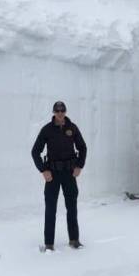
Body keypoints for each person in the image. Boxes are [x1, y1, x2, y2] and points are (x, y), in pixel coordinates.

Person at [31, 101, 87, 252]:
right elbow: (35, 151)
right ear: (54, 112)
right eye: (57, 110)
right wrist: (43, 170)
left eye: (62, 110)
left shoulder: (72, 128)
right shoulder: (47, 130)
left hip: (69, 174)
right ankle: (49, 244)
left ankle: (74, 240)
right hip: (53, 175)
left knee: (72, 207)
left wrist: (79, 166)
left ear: (65, 112)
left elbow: (82, 147)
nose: (60, 113)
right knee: (50, 208)